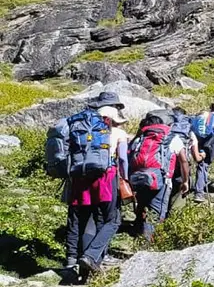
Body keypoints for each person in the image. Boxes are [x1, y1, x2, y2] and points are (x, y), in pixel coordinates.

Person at [59, 91, 122, 274]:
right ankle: (92, 257)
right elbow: (122, 159)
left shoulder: (76, 123)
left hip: (78, 175)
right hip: (103, 177)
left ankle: (72, 261)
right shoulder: (112, 130)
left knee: (77, 218)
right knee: (107, 218)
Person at [129, 110, 188, 242]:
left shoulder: (141, 137)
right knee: (156, 212)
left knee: (142, 205)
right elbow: (184, 160)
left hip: (138, 177)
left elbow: (130, 154)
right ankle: (147, 244)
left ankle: (137, 233)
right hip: (162, 179)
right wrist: (185, 181)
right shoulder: (172, 138)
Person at [167, 107, 202, 217]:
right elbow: (196, 157)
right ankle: (173, 218)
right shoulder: (189, 133)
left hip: (166, 166)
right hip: (182, 168)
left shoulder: (166, 130)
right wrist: (202, 156)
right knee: (180, 193)